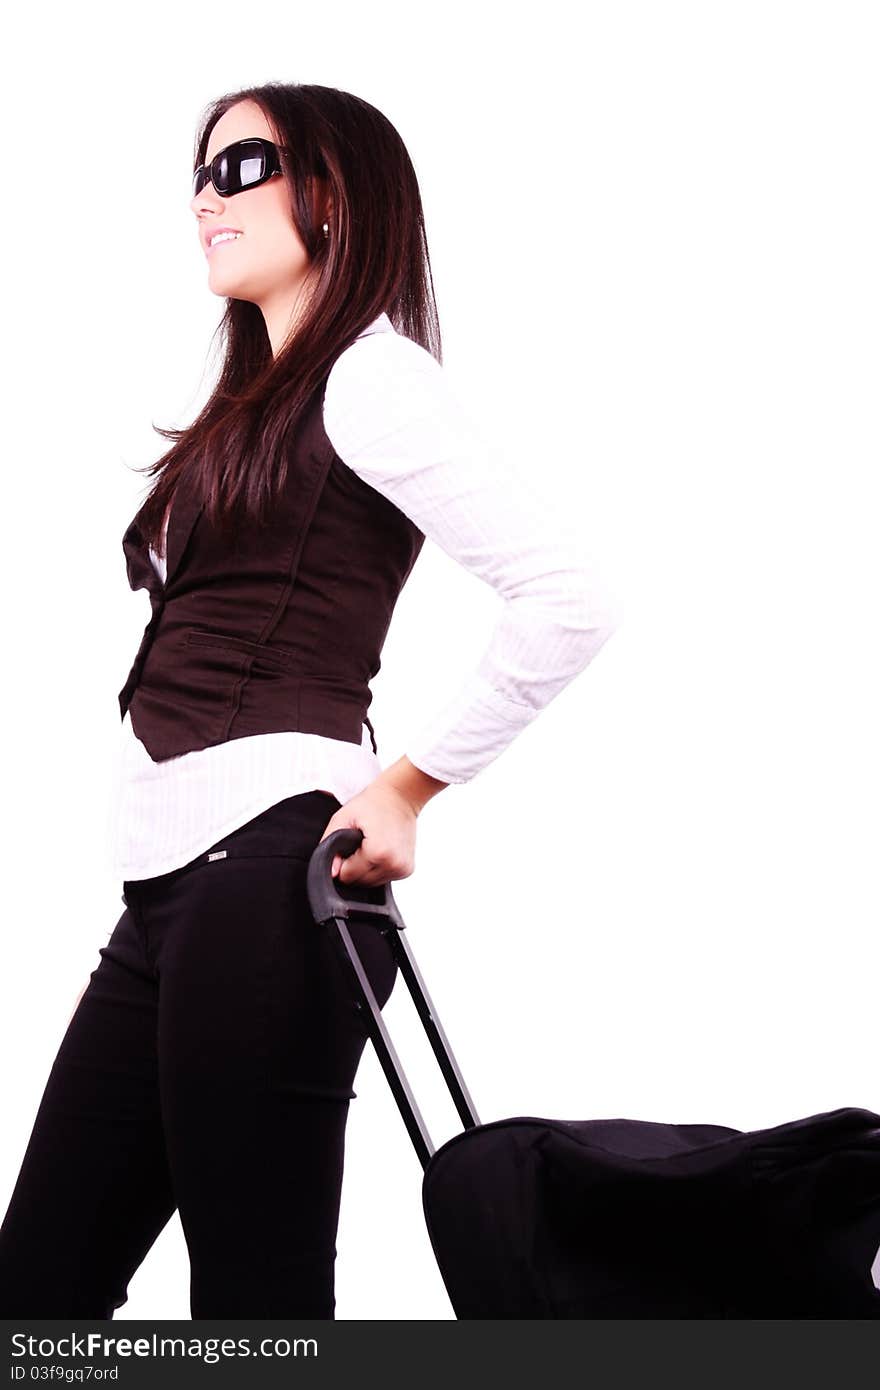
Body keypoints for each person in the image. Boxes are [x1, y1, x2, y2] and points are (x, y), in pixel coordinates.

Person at [0, 82, 618, 1319]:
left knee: (257, 1308)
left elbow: (567, 594)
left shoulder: (371, 376)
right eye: (200, 171)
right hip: (178, 898)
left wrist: (406, 785)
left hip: (274, 881)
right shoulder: (263, 399)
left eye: (244, 168)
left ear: (328, 195)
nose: (205, 198)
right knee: (38, 1300)